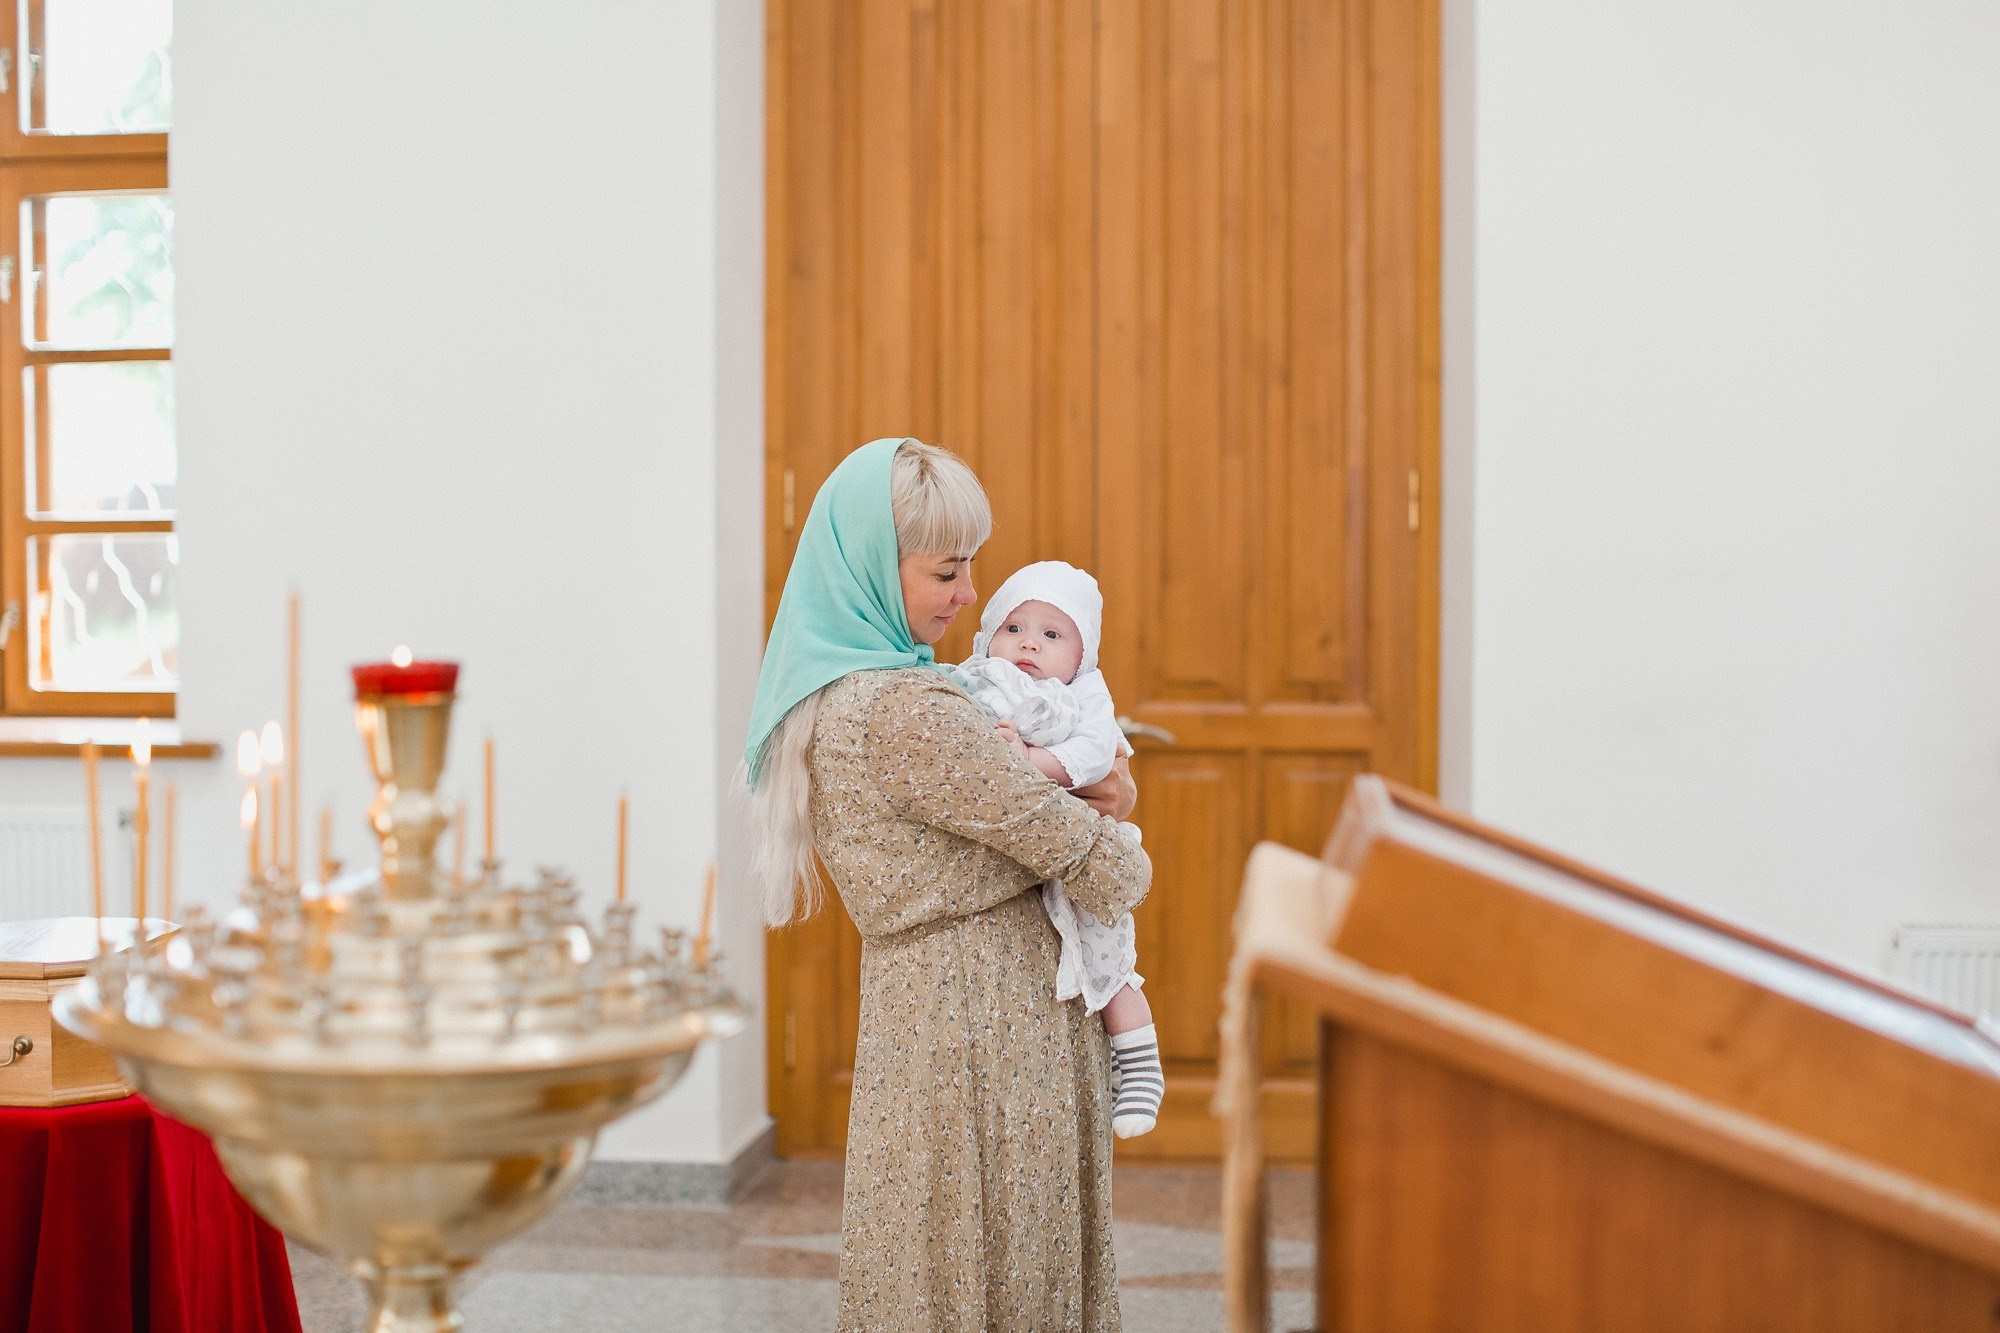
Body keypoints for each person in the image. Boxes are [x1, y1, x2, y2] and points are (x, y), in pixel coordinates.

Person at [746, 437, 1149, 1331]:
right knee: (996, 1261)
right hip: (986, 1032)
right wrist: (1109, 796)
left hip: (934, 1016)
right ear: (875, 572)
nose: (972, 596)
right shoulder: (908, 711)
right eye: (948, 572)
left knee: (933, 1254)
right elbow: (1117, 867)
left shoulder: (853, 693)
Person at [944, 561, 1163, 1138]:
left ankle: (1140, 1062)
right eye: (1014, 628)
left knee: (1106, 957)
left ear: (1081, 654)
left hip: (1083, 845)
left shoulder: (1085, 692)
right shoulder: (973, 677)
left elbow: (1096, 755)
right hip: (1020, 860)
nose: (1029, 646)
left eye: (1051, 634)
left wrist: (1028, 763)